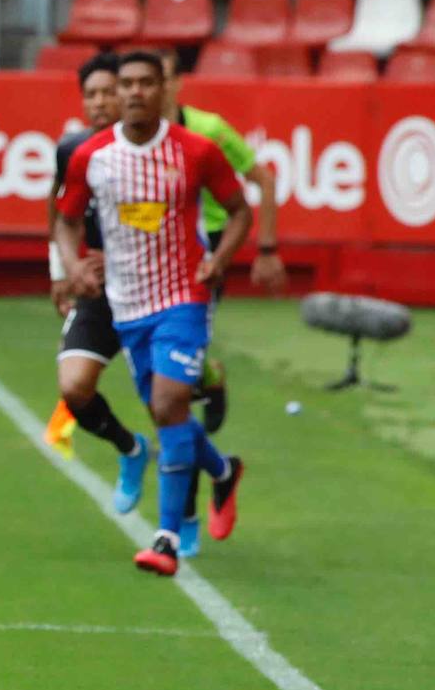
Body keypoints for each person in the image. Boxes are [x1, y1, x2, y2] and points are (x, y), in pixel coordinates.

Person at [55, 52, 251, 577]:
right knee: (169, 413)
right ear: (117, 92)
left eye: (147, 82)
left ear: (165, 88)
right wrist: (74, 268)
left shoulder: (197, 151)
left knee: (169, 404)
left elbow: (239, 210)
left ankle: (165, 536)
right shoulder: (91, 156)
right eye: (127, 84)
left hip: (185, 296)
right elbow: (66, 219)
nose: (136, 92)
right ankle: (223, 470)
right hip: (126, 304)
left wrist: (220, 259)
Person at [156, 47, 286, 556]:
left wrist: (267, 249)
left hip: (204, 258)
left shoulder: (209, 130)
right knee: (162, 391)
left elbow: (262, 179)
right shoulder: (132, 140)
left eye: (160, 79)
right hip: (150, 268)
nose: (149, 91)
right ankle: (220, 460)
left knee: (170, 398)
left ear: (176, 83)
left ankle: (181, 517)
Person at [44, 52, 150, 515]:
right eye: (92, 94)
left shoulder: (149, 150)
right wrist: (63, 271)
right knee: (75, 387)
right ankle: (130, 449)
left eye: (110, 91)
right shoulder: (72, 150)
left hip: (152, 287)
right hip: (97, 289)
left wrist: (126, 247)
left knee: (173, 402)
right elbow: (59, 214)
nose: (102, 101)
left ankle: (183, 515)